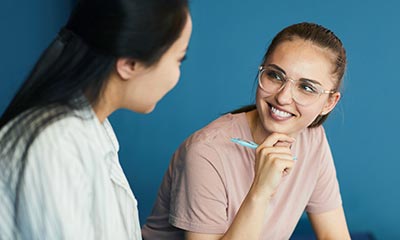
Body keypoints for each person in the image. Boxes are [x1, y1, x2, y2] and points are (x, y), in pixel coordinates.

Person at [0, 0, 192, 239]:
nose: (177, 75)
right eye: (179, 59)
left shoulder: (91, 130)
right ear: (130, 64)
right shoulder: (56, 144)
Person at [142, 22, 350, 239]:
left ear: (329, 103)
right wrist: (260, 191)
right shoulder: (206, 151)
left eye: (306, 88)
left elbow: (333, 235)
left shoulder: (313, 139)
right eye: (275, 76)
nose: (283, 97)